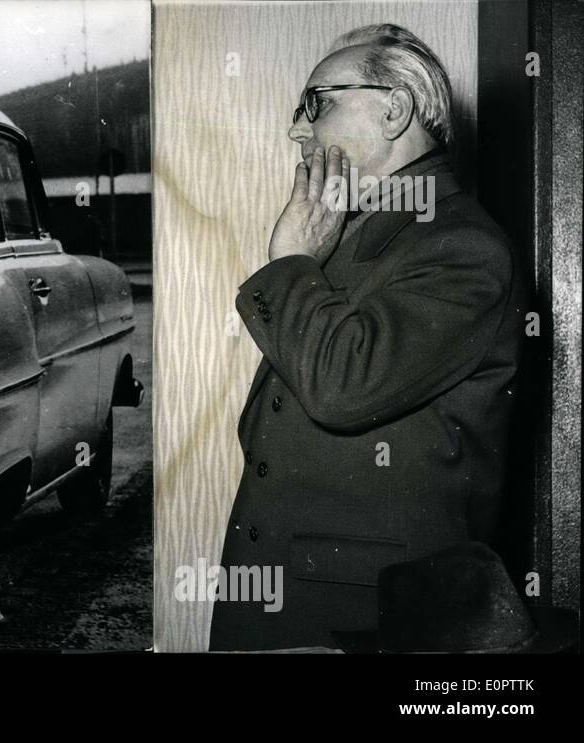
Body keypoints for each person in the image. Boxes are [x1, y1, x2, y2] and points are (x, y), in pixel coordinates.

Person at [209, 24, 529, 650]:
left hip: (362, 619)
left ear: (395, 110)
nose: (298, 129)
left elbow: (342, 389)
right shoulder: (368, 234)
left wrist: (292, 262)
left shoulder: (462, 246)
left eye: (317, 103)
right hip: (308, 597)